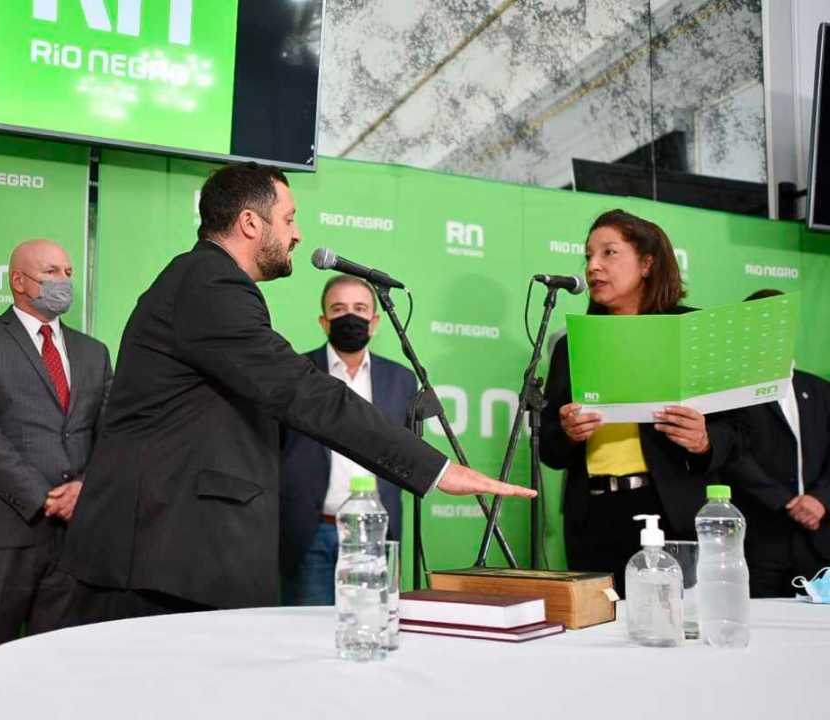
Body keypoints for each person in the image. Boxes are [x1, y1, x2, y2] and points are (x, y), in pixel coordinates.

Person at [61, 162, 535, 622]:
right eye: (289, 219)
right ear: (250, 223)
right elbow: (305, 392)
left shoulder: (205, 281)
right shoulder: (210, 282)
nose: (297, 234)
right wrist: (436, 469)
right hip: (159, 559)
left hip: (176, 556)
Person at [540, 209, 739, 596]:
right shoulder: (571, 345)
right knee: (601, 627)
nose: (593, 266)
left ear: (647, 263)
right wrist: (567, 433)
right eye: (588, 256)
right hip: (592, 517)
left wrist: (704, 440)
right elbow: (549, 447)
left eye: (609, 253)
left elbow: (740, 432)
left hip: (669, 511)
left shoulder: (690, 332)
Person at [0, 239, 113, 667]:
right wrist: (43, 497)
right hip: (1, 531)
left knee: (57, 670)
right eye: (51, 272)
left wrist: (86, 488)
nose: (63, 281)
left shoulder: (94, 352)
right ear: (18, 281)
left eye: (68, 273)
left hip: (75, 537)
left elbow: (111, 433)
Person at [279, 274, 416, 605]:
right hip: (309, 534)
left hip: (374, 532)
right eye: (339, 309)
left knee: (370, 623)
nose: (350, 317)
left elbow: (406, 455)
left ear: (375, 321)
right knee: (304, 630)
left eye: (360, 308)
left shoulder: (401, 379)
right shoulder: (296, 372)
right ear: (324, 321)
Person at [716, 289, 830, 597]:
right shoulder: (729, 394)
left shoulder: (820, 390)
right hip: (759, 541)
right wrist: (786, 502)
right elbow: (731, 456)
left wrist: (820, 500)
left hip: (819, 542)